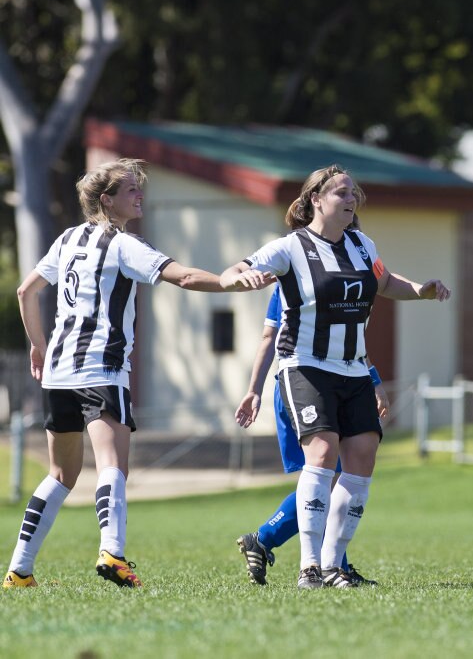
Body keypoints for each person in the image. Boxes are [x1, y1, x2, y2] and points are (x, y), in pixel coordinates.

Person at [2, 158, 271, 590]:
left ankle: (19, 570)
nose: (139, 195)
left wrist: (38, 343)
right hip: (101, 368)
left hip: (58, 371)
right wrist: (230, 281)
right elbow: (181, 276)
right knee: (112, 466)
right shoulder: (123, 244)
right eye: (131, 190)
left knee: (60, 476)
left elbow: (25, 291)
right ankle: (112, 552)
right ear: (107, 200)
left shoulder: (67, 239)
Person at [220, 164, 450, 590]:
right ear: (315, 200)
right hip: (304, 366)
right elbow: (237, 270)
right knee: (323, 453)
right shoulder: (290, 248)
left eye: (354, 194)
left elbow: (385, 282)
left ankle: (332, 566)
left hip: (354, 369)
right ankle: (308, 568)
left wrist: (419, 289)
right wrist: (237, 277)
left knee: (361, 457)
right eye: (341, 192)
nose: (351, 199)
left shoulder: (363, 245)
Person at [234, 282, 389, 587]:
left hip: (341, 383)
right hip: (303, 386)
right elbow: (270, 336)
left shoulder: (346, 270)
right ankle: (271, 541)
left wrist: (374, 381)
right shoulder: (296, 277)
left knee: (337, 478)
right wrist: (254, 390)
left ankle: (322, 561)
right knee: (325, 476)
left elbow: (349, 341)